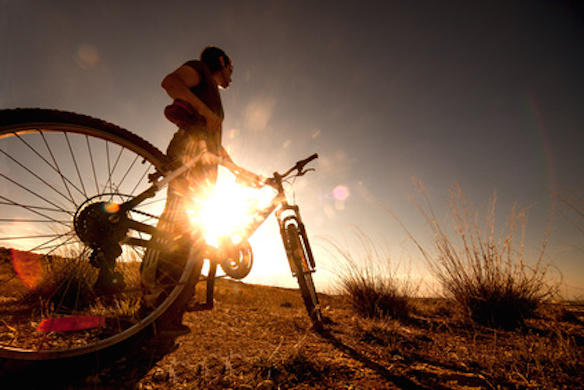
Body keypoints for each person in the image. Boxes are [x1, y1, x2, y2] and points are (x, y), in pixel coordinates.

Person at [141, 46, 260, 336]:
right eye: (231, 69)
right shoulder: (200, 71)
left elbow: (213, 140)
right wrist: (207, 111)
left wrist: (237, 170)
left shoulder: (211, 92)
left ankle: (169, 308)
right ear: (221, 62)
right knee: (181, 229)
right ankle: (156, 309)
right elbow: (170, 83)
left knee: (190, 233)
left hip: (202, 165)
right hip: (188, 157)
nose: (231, 76)